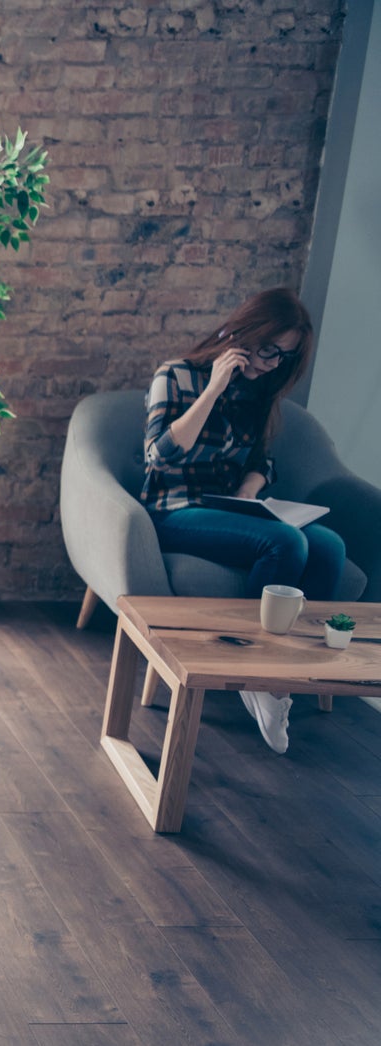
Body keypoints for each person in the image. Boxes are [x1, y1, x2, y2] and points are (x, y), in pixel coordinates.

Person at [141, 287, 344, 755]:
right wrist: (213, 388)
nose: (272, 364)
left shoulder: (259, 393)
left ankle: (291, 675)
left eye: (285, 358)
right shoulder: (175, 376)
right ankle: (256, 675)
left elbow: (263, 460)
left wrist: (250, 489)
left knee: (329, 544)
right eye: (270, 350)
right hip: (172, 509)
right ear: (243, 333)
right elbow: (159, 457)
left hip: (229, 508)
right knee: (286, 544)